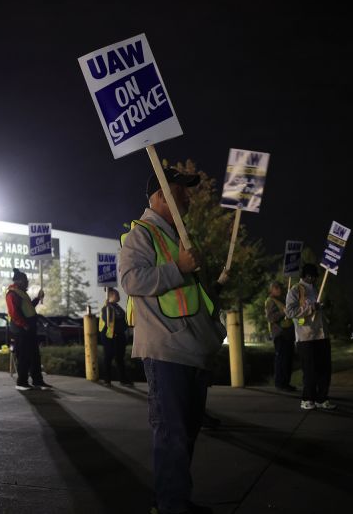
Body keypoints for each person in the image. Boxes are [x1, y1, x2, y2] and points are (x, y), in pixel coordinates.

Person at [119, 168, 225, 514]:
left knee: (185, 435)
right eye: (182, 191)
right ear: (161, 195)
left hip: (191, 351)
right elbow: (132, 280)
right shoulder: (142, 234)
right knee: (173, 436)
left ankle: (171, 500)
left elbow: (192, 296)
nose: (189, 197)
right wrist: (178, 267)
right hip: (167, 352)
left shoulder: (178, 235)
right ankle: (171, 506)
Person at [285, 264, 336, 410]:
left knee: (324, 369)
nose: (313, 279)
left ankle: (322, 399)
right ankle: (307, 399)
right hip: (305, 337)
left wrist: (324, 307)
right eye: (311, 276)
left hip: (321, 335)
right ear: (305, 276)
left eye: (315, 276)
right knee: (310, 370)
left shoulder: (316, 289)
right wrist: (311, 308)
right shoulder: (295, 290)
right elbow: (289, 312)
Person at [5, 267, 52, 391]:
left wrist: (37, 298)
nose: (27, 283)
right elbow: (14, 313)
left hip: (28, 328)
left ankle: (38, 381)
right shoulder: (12, 294)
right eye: (25, 281)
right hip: (21, 330)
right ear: (19, 281)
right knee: (24, 357)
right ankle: (22, 382)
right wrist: (24, 325)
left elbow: (29, 307)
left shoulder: (21, 293)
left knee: (34, 356)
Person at [265, 281, 296, 392]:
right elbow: (270, 318)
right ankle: (280, 383)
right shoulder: (270, 301)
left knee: (288, 359)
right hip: (280, 334)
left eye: (280, 287)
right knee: (282, 359)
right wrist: (284, 313)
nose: (279, 289)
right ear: (271, 290)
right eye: (276, 287)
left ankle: (286, 382)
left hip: (288, 333)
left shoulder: (282, 300)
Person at [99, 287, 131, 386]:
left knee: (120, 358)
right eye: (117, 294)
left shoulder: (117, 307)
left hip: (119, 336)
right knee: (108, 357)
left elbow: (124, 320)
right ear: (111, 296)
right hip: (108, 336)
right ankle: (107, 380)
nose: (119, 296)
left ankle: (123, 380)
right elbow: (109, 322)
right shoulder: (106, 308)